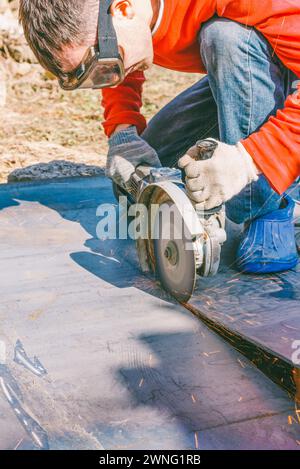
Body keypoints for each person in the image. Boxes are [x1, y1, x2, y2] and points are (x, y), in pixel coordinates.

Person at [19, 0, 300, 273]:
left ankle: (268, 208)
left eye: (105, 65)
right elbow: (114, 65)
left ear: (124, 9)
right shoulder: (118, 19)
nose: (109, 77)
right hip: (253, 71)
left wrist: (249, 159)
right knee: (153, 173)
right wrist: (123, 131)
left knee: (225, 37)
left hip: (287, 71)